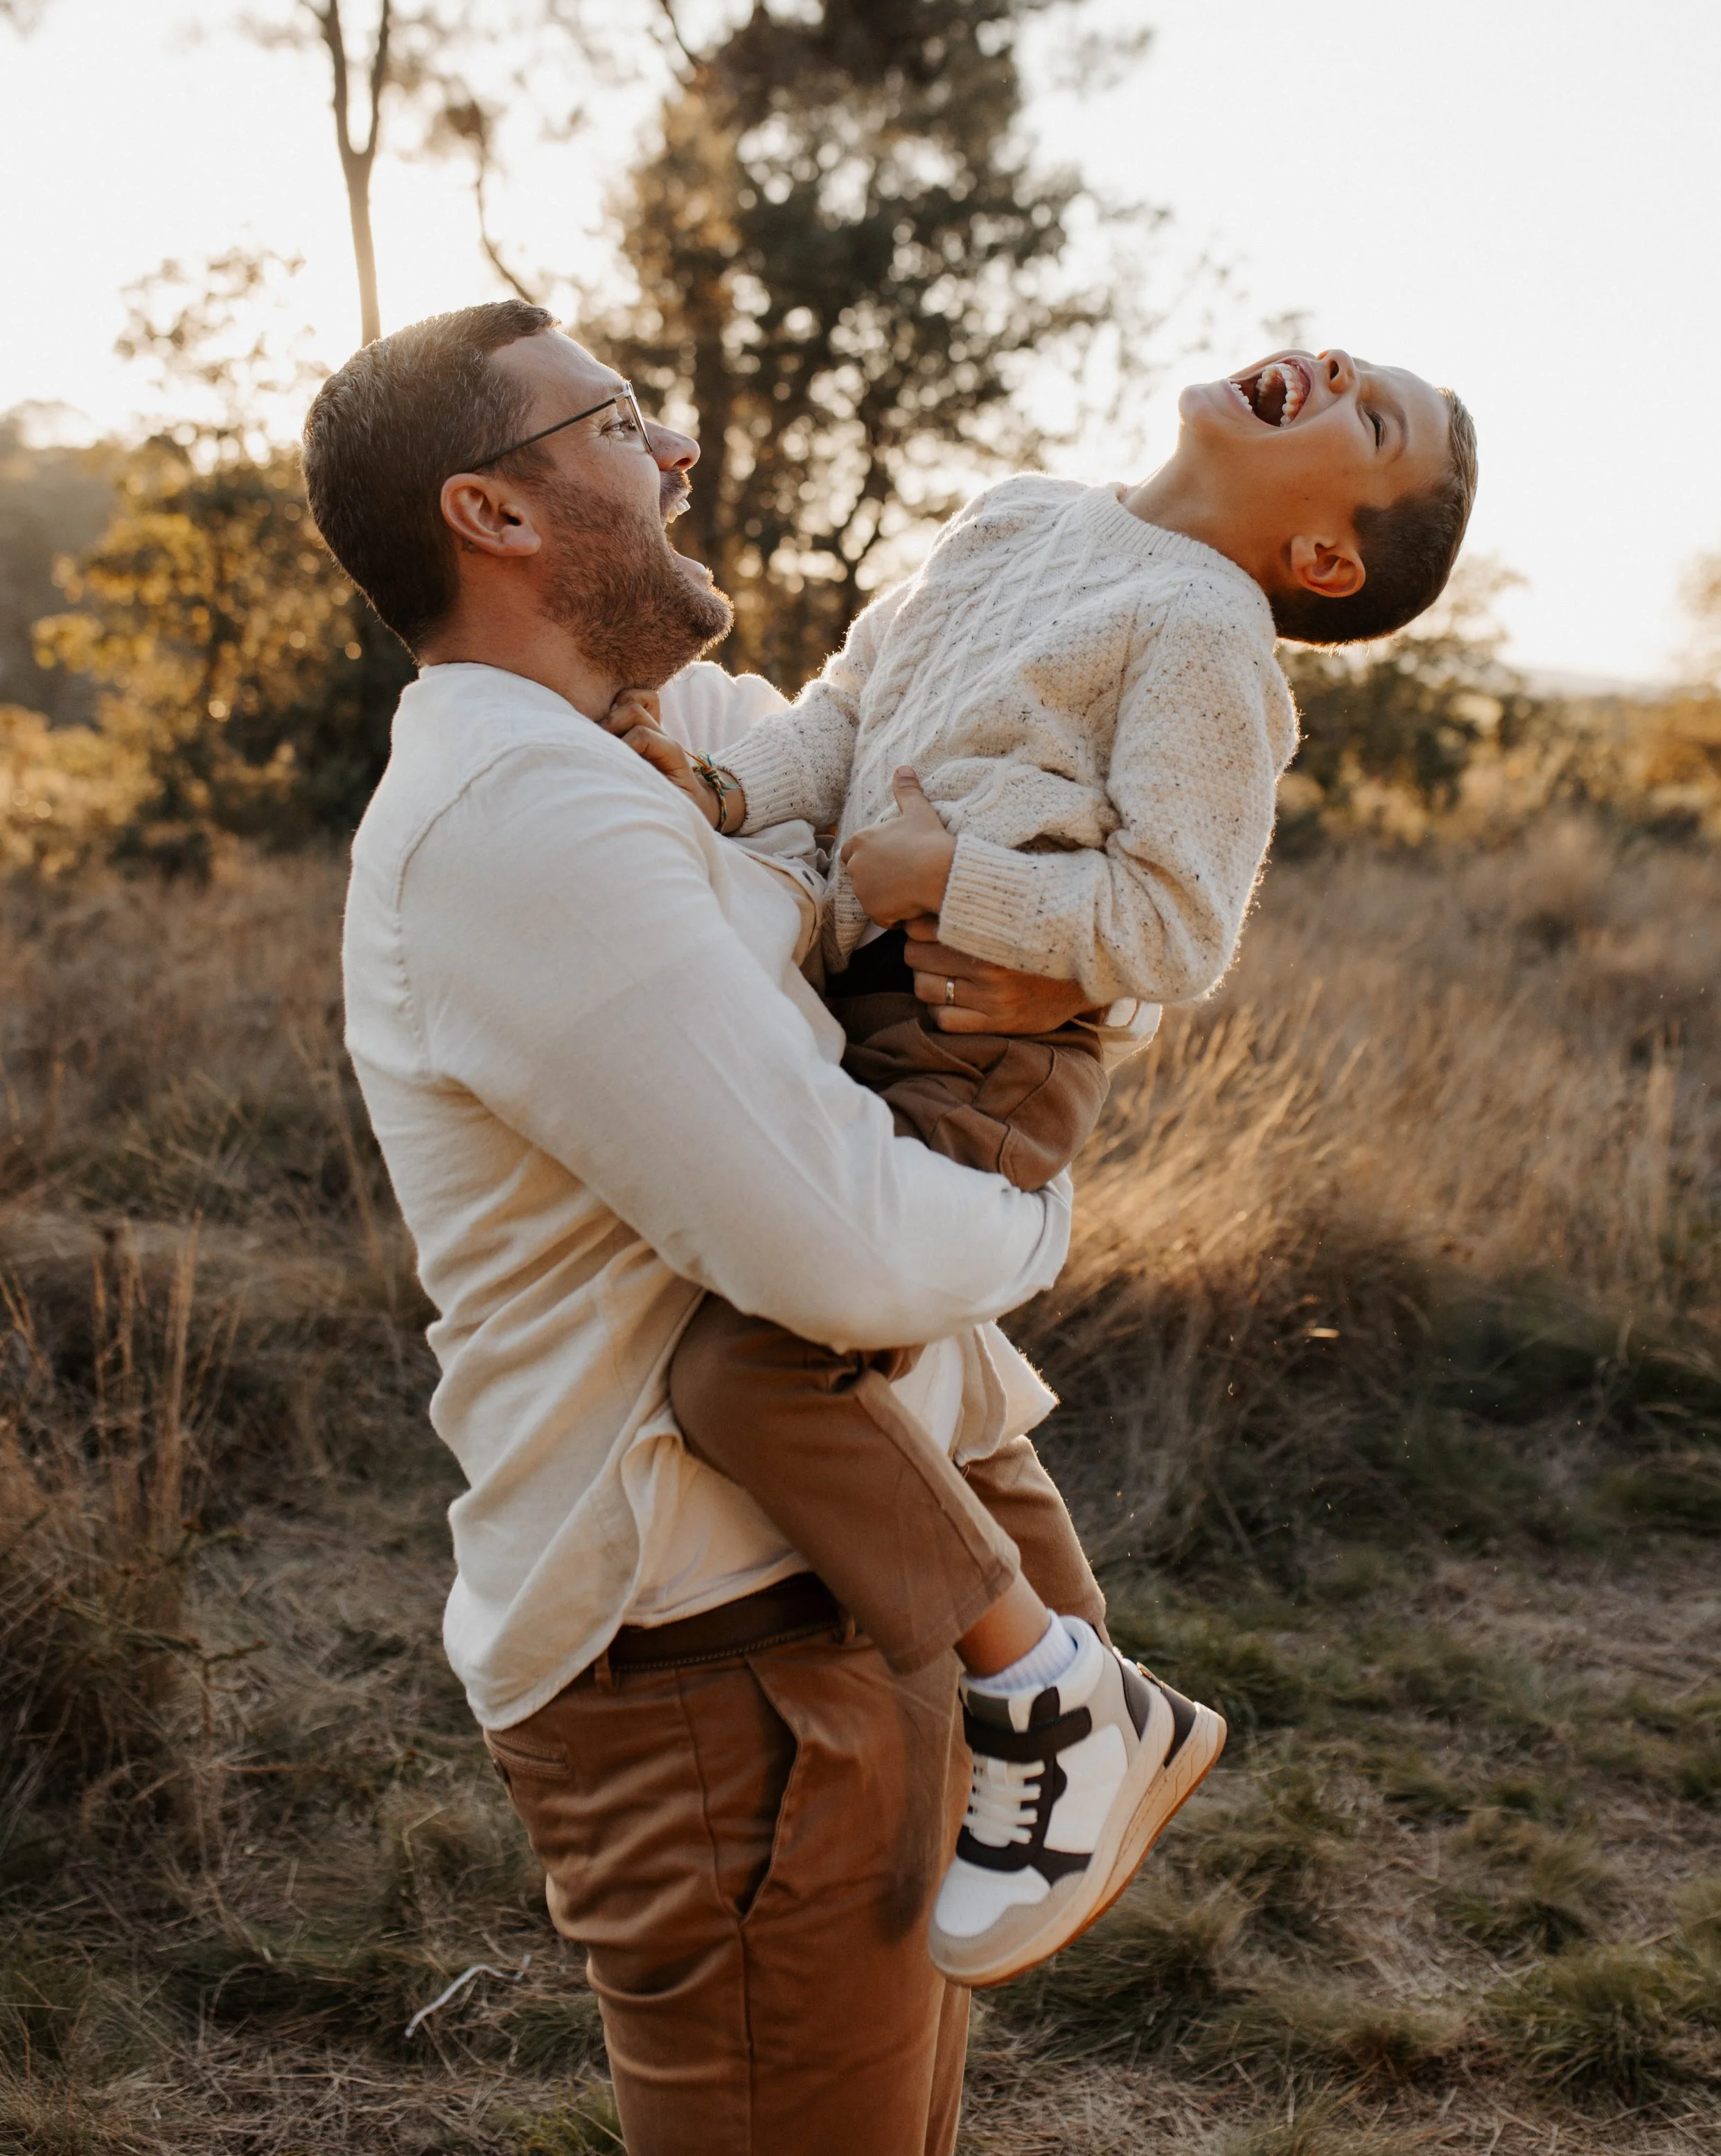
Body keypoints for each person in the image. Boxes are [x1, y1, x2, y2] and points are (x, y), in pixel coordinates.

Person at [301, 298, 1170, 2156]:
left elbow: (950, 818)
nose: (674, 447)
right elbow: (841, 1255)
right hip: (715, 1661)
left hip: (857, 1585)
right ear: (491, 511)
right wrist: (1035, 1202)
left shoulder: (674, 732)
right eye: (618, 421)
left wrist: (1045, 943)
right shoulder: (510, 816)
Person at [606, 344, 1478, 1988]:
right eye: (1352, 359)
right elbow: (848, 720)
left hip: (975, 1044)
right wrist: (723, 788)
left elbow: (1172, 926)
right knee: (905, 1369)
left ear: (1322, 558)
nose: (1332, 365)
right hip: (852, 1001)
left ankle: (1050, 1694)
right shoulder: (1015, 515)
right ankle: (1083, 1684)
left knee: (751, 1372)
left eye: (1370, 416)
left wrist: (958, 878)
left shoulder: (1208, 632)